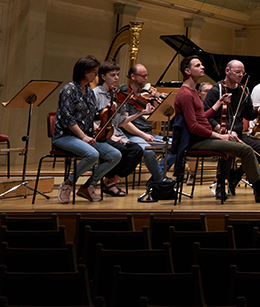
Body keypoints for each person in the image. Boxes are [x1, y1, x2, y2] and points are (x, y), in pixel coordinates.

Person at [174, 55, 260, 203]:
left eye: (242, 72)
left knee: (259, 147)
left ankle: (255, 185)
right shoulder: (188, 94)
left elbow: (202, 116)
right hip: (196, 139)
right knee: (242, 149)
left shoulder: (194, 92)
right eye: (198, 65)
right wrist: (219, 134)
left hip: (220, 134)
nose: (203, 67)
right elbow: (194, 126)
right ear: (187, 71)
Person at [204, 60, 260, 193]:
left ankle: (237, 174)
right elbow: (206, 116)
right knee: (229, 147)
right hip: (220, 134)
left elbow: (249, 114)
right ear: (227, 71)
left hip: (238, 134)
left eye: (242, 72)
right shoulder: (215, 91)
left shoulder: (243, 90)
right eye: (237, 72)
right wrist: (221, 129)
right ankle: (221, 184)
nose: (241, 75)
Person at [53, 56, 122, 203]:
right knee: (92, 154)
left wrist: (106, 109)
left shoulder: (89, 92)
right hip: (66, 136)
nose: (96, 75)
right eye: (93, 72)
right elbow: (67, 118)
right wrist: (83, 136)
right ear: (84, 72)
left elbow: (92, 114)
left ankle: (89, 185)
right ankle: (68, 184)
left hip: (84, 135)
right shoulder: (69, 90)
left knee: (115, 154)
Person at [92, 60, 148, 197]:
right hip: (100, 133)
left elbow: (121, 122)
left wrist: (140, 113)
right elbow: (90, 121)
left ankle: (111, 182)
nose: (117, 78)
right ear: (103, 77)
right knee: (121, 149)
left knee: (136, 151)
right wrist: (111, 136)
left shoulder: (117, 95)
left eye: (117, 75)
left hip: (116, 133)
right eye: (113, 75)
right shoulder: (95, 94)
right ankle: (108, 184)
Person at [116, 62, 171, 182]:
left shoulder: (146, 96)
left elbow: (148, 123)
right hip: (132, 135)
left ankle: (157, 177)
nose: (146, 79)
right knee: (148, 151)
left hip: (148, 133)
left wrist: (160, 109)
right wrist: (143, 135)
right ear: (133, 76)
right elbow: (124, 123)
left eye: (147, 75)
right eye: (143, 76)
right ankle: (159, 181)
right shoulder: (124, 95)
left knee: (176, 145)